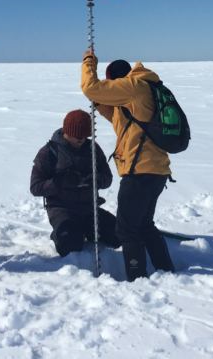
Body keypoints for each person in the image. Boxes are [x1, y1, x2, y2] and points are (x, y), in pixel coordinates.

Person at [80, 51, 175, 281]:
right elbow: (119, 118)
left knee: (126, 229)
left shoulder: (134, 86)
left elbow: (90, 87)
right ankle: (166, 270)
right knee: (143, 224)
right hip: (155, 170)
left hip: (140, 172)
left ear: (117, 81)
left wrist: (88, 63)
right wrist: (101, 103)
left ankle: (137, 278)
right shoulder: (141, 92)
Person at [30, 110, 121, 256]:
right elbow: (35, 187)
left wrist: (95, 180)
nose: (81, 139)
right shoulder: (50, 152)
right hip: (61, 209)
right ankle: (61, 234)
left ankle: (87, 230)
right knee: (70, 246)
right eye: (77, 136)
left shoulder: (93, 149)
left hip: (89, 208)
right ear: (67, 131)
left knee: (119, 236)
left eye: (85, 136)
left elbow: (107, 178)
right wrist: (59, 182)